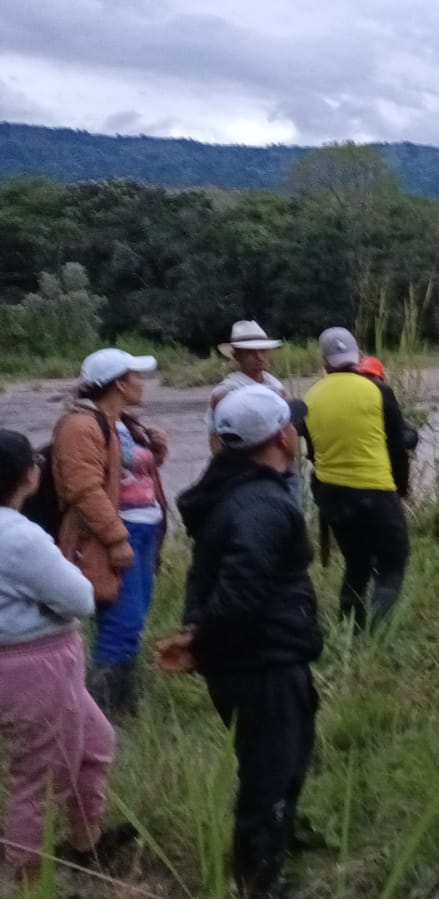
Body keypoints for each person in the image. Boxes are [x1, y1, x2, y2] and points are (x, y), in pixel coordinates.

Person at [158, 386, 323, 899]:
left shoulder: (235, 487)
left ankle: (280, 840)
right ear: (282, 436)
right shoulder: (262, 507)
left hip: (263, 656)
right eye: (291, 423)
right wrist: (202, 644)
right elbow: (240, 592)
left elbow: (208, 579)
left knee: (288, 754)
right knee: (268, 774)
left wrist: (197, 632)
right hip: (261, 662)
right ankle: (258, 880)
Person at [0, 430, 137, 884]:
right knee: (36, 777)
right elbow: (79, 598)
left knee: (95, 745)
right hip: (36, 664)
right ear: (29, 476)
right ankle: (26, 878)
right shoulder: (20, 537)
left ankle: (86, 843)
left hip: (30, 662)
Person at [53, 348, 168, 718]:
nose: (142, 382)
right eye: (136, 375)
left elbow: (125, 473)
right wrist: (116, 539)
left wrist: (157, 451)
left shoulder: (122, 422)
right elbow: (84, 488)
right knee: (121, 624)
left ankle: (121, 709)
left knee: (132, 622)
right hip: (115, 537)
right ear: (119, 382)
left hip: (143, 532)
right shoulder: (81, 426)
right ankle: (101, 716)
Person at [302, 327, 412, 632]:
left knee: (356, 564)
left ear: (324, 362)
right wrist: (401, 491)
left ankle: (350, 630)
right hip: (376, 492)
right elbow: (398, 447)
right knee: (392, 564)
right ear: (359, 357)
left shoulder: (311, 397)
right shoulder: (378, 392)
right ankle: (375, 632)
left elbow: (312, 452)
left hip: (332, 496)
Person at [208, 321, 287, 456]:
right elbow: (215, 437)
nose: (260, 357)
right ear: (236, 356)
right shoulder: (226, 392)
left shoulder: (275, 386)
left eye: (263, 351)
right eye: (251, 353)